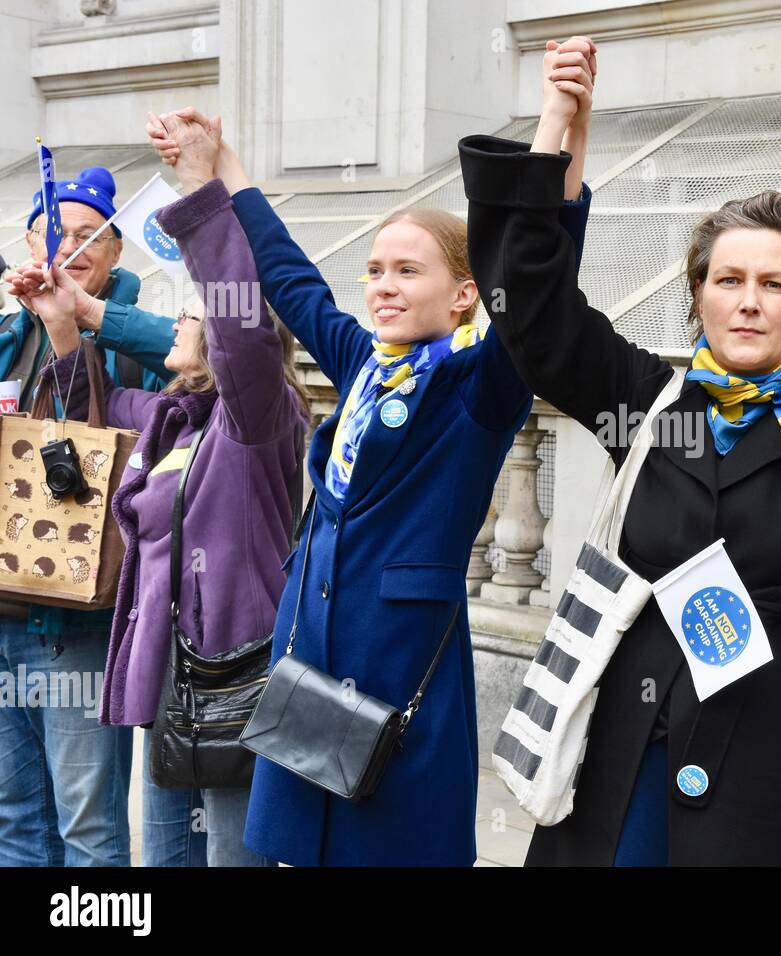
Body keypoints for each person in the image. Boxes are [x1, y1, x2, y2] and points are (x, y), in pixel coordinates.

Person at [458, 40, 781, 865]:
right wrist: (557, 126)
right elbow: (531, 309)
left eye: (774, 285)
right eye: (728, 279)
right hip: (635, 741)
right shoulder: (648, 399)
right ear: (697, 293)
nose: (748, 303)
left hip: (776, 764)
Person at [143, 36, 598, 866]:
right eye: (376, 270)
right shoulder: (359, 363)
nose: (383, 284)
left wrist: (560, 125)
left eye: (408, 271)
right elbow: (288, 278)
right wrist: (224, 169)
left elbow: (533, 283)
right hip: (307, 673)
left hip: (400, 691)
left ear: (464, 295)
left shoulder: (479, 387)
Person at [15, 120, 310, 868]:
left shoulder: (256, 421)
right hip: (172, 687)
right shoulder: (174, 419)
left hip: (235, 683)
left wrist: (202, 189)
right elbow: (91, 407)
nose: (179, 320)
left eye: (195, 315)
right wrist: (59, 325)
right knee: (168, 861)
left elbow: (241, 329)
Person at [0, 164, 178, 867]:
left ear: (115, 254)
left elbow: (191, 376)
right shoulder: (10, 333)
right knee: (15, 822)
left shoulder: (139, 336)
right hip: (4, 618)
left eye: (89, 238)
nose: (71, 249)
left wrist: (77, 323)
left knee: (89, 830)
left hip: (79, 624)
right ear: (29, 241)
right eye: (56, 235)